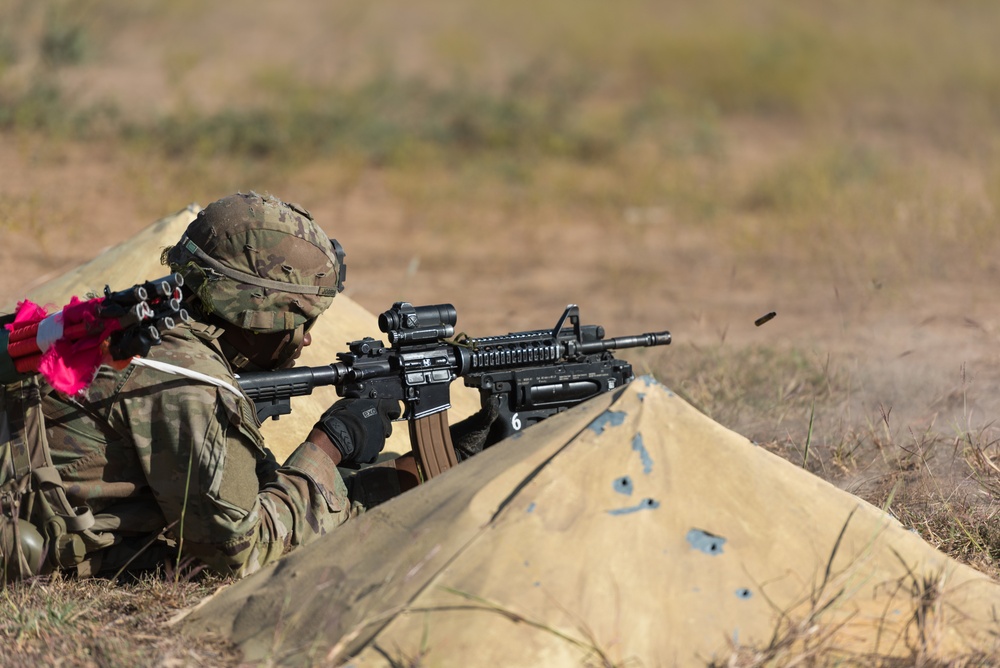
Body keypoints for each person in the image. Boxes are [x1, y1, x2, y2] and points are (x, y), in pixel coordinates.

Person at [13, 191, 424, 578]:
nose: (308, 338)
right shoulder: (187, 383)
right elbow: (242, 553)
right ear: (259, 313)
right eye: (302, 323)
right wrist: (329, 443)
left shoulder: (144, 326)